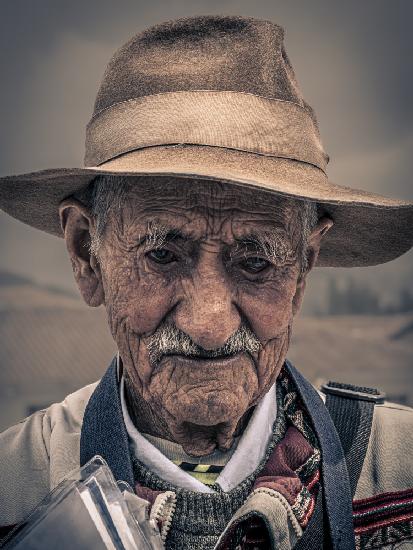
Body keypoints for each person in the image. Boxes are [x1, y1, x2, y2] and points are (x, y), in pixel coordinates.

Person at [0, 15, 412, 550]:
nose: (211, 325)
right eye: (164, 255)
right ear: (86, 253)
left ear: (305, 265)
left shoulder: (399, 471)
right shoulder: (15, 488)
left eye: (256, 263)